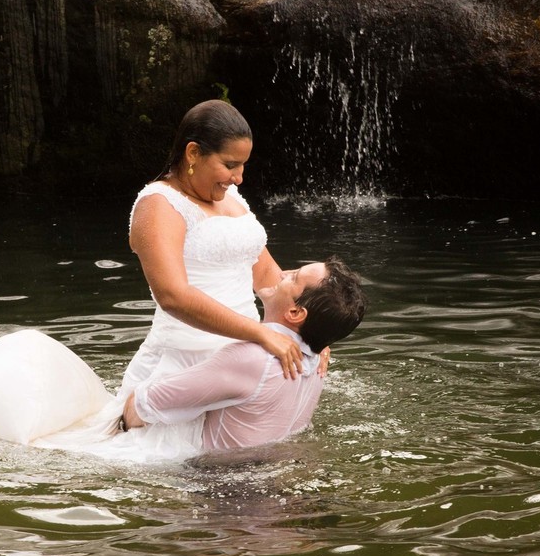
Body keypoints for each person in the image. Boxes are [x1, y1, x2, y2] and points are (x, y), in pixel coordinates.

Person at [119, 99, 306, 399]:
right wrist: (259, 332)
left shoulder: (233, 197)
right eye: (230, 165)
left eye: (243, 165)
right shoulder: (158, 204)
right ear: (193, 152)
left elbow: (269, 277)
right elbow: (173, 296)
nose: (239, 177)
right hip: (182, 367)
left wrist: (308, 334)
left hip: (244, 363)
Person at [119, 257, 367, 452]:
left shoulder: (253, 358)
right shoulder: (317, 359)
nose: (282, 273)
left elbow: (141, 407)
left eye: (294, 278)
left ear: (295, 313)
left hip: (219, 496)